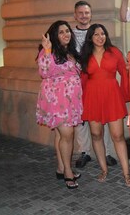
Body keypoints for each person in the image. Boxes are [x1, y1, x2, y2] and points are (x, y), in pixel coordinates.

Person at [80, 24, 130, 188]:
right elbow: (82, 80)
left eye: (103, 33)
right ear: (90, 37)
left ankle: (127, 173)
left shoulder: (114, 52)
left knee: (118, 136)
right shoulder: (85, 55)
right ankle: (103, 170)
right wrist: (81, 103)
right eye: (96, 34)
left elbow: (124, 73)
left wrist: (125, 95)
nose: (100, 37)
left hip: (112, 96)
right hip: (92, 97)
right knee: (96, 135)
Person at [36, 20, 83, 189]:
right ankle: (68, 172)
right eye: (61, 32)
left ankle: (61, 168)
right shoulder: (48, 51)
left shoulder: (70, 51)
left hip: (70, 101)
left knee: (60, 135)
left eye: (67, 31)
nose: (66, 34)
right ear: (55, 36)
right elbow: (44, 72)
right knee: (67, 135)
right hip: (57, 101)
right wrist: (47, 50)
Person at [72, 1, 117, 168]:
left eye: (87, 13)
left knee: (101, 116)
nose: (84, 16)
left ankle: (106, 152)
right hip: (76, 82)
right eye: (81, 13)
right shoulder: (70, 34)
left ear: (91, 14)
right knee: (81, 118)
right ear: (75, 15)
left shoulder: (98, 32)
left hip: (96, 81)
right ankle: (84, 151)